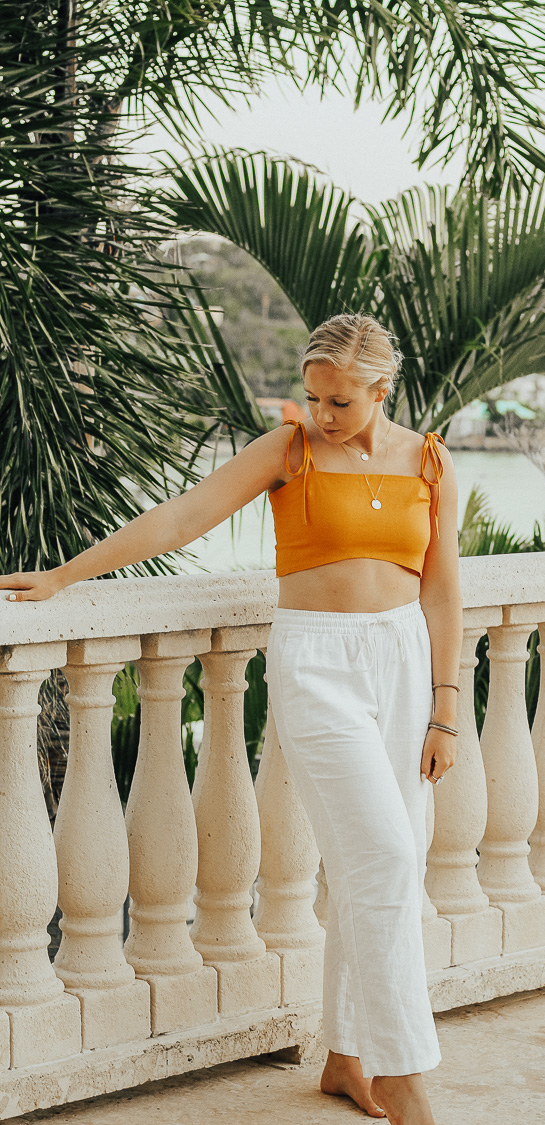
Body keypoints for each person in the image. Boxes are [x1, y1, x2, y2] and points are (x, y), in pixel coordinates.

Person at [1, 312, 462, 1125]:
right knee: (385, 857)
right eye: (314, 396)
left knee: (386, 862)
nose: (321, 413)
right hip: (317, 663)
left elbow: (441, 588)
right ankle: (405, 1074)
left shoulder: (430, 460)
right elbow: (182, 518)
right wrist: (66, 574)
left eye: (341, 402)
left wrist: (444, 705)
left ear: (381, 392)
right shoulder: (287, 451)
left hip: (403, 661)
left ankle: (347, 1055)